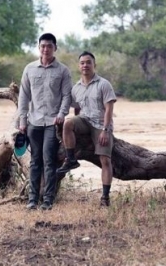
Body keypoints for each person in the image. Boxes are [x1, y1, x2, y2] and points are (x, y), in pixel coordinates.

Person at [18, 33, 72, 211]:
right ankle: (32, 199)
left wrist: (62, 114)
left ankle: (48, 199)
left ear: (55, 48)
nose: (45, 49)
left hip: (52, 123)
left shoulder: (62, 70)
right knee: (35, 161)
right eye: (42, 46)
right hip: (34, 121)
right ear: (38, 48)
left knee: (49, 160)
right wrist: (22, 120)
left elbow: (66, 95)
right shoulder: (30, 69)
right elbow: (24, 96)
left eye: (49, 46)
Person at [57, 51, 117, 207]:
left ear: (94, 65)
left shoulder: (103, 84)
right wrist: (77, 124)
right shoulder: (76, 88)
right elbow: (77, 109)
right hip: (85, 120)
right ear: (79, 66)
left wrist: (105, 130)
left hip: (100, 124)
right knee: (68, 123)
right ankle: (70, 159)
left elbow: (109, 109)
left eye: (88, 62)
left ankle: (105, 197)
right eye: (82, 63)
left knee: (105, 160)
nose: (85, 65)